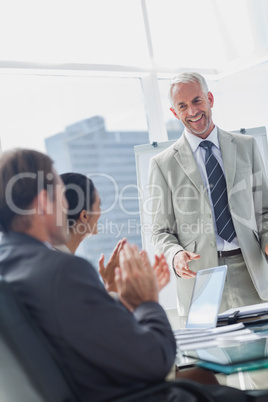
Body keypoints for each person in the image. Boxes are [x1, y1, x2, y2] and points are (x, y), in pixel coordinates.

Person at [0, 148, 217, 402]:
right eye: (61, 195)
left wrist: (116, 298)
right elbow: (156, 359)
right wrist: (147, 301)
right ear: (42, 203)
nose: (66, 206)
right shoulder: (62, 271)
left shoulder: (12, 267)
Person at [149, 72, 268, 326]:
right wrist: (175, 254)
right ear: (174, 112)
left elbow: (264, 210)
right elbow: (160, 231)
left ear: (210, 99)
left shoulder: (246, 146)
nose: (192, 111)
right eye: (183, 106)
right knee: (213, 359)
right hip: (201, 279)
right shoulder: (163, 164)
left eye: (197, 101)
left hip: (253, 270)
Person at [58, 172, 170, 293]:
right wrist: (113, 288)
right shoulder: (71, 272)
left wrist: (109, 287)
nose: (100, 212)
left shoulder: (52, 260)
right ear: (84, 216)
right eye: (98, 205)